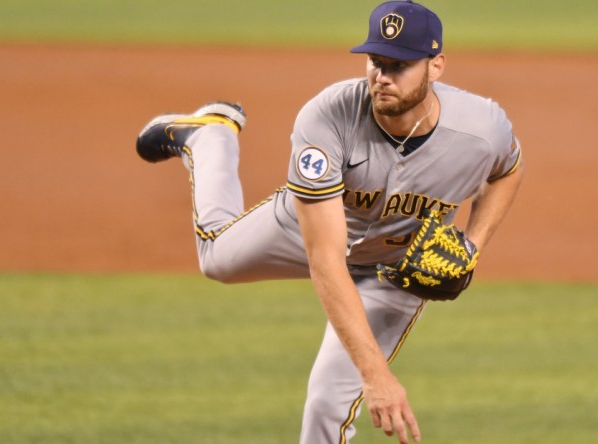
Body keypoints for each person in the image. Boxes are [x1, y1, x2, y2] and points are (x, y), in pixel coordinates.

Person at [135, 1, 524, 442]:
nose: (382, 76)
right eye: (376, 62)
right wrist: (376, 376)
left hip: (393, 273)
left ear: (435, 67)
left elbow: (507, 169)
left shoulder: (480, 127)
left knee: (327, 401)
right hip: (313, 233)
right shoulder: (325, 119)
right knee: (216, 260)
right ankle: (211, 137)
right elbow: (326, 259)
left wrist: (473, 244)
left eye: (399, 66)